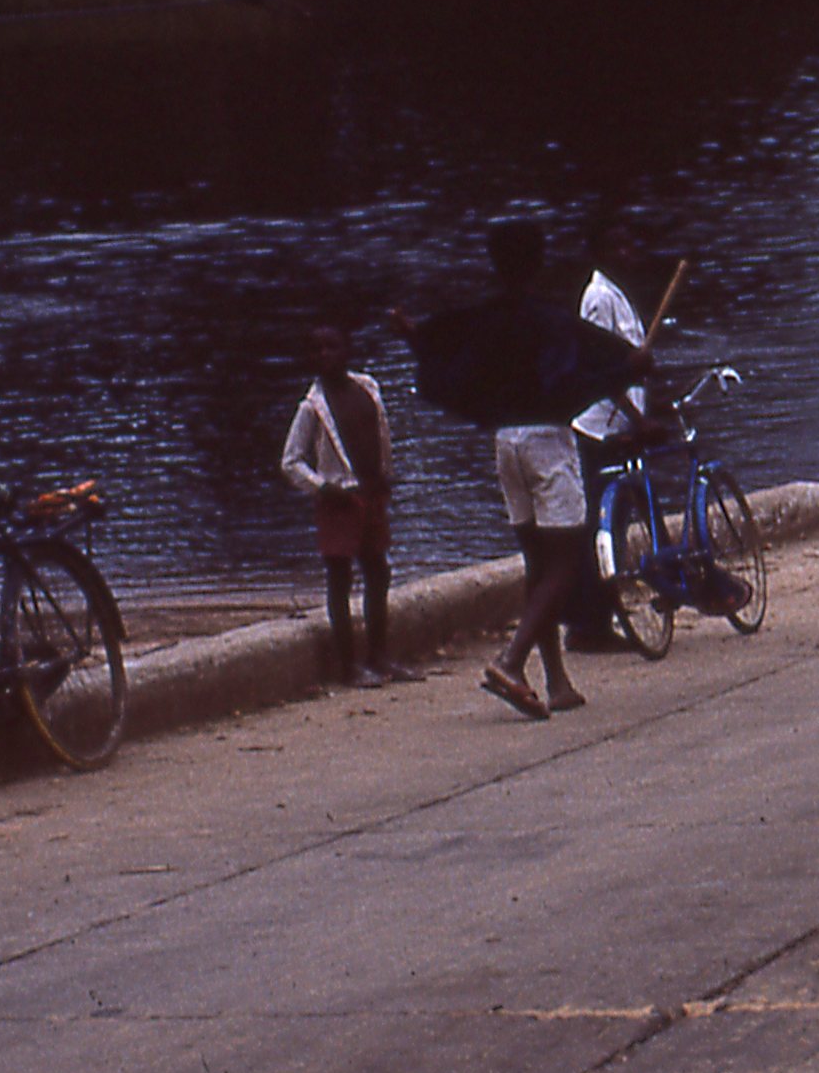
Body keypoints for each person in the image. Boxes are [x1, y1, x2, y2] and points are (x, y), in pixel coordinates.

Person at [400, 220, 650, 722]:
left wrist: (412, 333)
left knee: (538, 561)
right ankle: (511, 662)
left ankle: (557, 682)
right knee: (566, 559)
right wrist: (633, 366)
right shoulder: (549, 321)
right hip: (546, 442)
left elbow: (438, 340)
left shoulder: (484, 319)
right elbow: (584, 373)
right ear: (539, 262)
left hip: (505, 443)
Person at [280, 324, 414, 687]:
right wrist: (323, 488)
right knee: (340, 579)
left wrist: (385, 475)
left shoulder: (367, 389)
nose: (325, 355)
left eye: (332, 347)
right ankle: (348, 666)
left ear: (347, 350)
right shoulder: (312, 408)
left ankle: (379, 656)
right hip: (338, 500)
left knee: (378, 572)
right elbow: (291, 461)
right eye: (317, 350)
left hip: (370, 494)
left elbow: (380, 438)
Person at [567, 215, 659, 655]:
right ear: (600, 254)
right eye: (617, 247)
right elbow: (602, 369)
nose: (627, 254)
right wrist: (638, 422)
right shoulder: (600, 299)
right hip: (601, 430)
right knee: (599, 528)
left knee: (617, 523)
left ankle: (600, 617)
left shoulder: (620, 297)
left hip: (621, 425)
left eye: (629, 246)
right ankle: (589, 625)